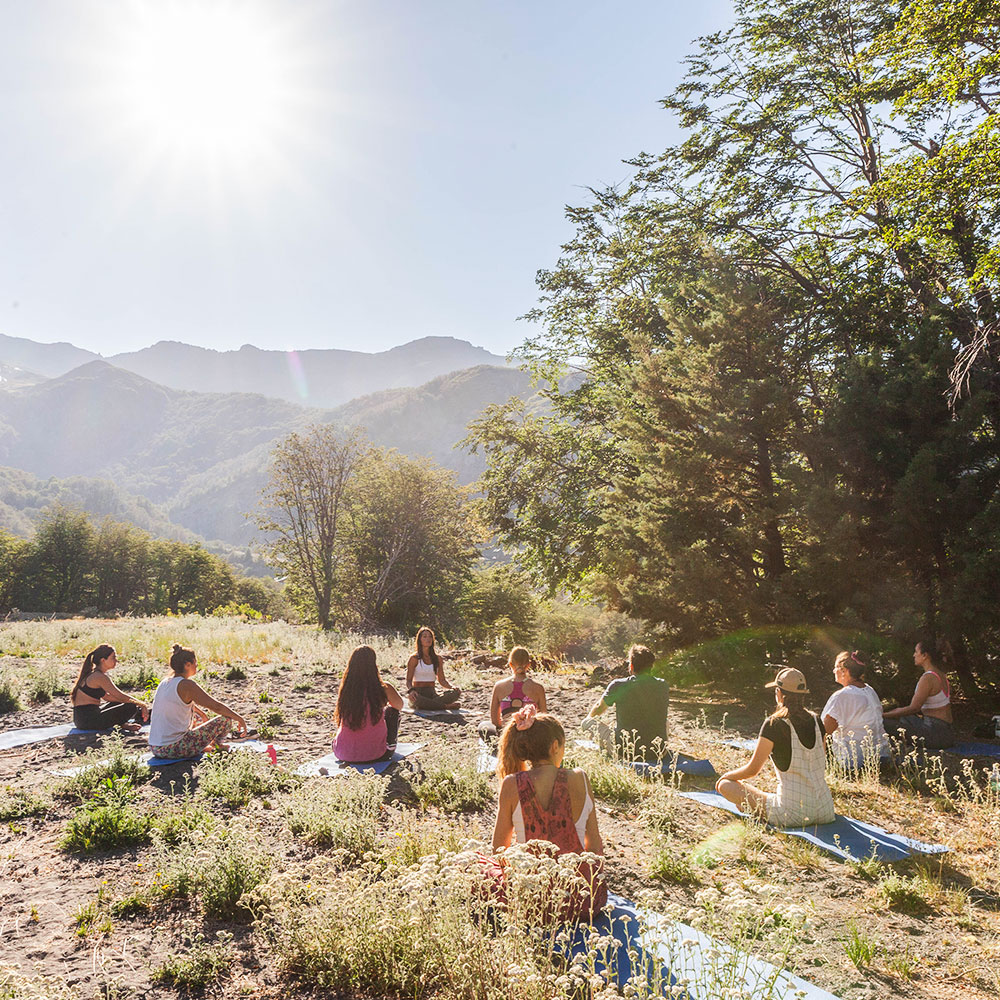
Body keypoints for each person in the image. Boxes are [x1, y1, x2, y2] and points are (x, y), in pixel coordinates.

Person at [491, 706, 606, 919]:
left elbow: (499, 849)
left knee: (479, 867)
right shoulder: (580, 778)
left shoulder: (511, 784)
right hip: (579, 902)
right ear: (555, 746)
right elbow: (595, 846)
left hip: (532, 901)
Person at [716, 667, 835, 827]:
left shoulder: (774, 724)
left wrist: (727, 776)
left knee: (724, 785)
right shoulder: (816, 720)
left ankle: (750, 806)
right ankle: (752, 806)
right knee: (768, 796)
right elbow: (819, 762)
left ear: (779, 693)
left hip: (793, 814)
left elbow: (753, 770)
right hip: (825, 810)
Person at [148, 644, 248, 760]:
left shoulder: (165, 682)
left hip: (156, 747)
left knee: (198, 718)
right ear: (187, 665)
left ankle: (200, 746)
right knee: (225, 720)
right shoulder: (187, 685)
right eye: (195, 662)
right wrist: (240, 718)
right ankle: (217, 746)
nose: (197, 665)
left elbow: (177, 704)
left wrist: (201, 713)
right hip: (172, 749)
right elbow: (216, 707)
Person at [582, 644, 669, 761]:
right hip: (658, 752)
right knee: (665, 721)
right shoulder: (662, 685)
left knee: (586, 723)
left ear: (631, 666)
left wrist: (589, 718)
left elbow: (599, 707)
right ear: (651, 666)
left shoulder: (618, 685)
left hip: (625, 752)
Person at [821, 651, 889, 774]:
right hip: (882, 758)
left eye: (836, 667)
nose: (833, 671)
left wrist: (819, 766)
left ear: (844, 671)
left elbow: (822, 732)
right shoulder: (869, 690)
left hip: (854, 763)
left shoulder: (842, 696)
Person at [334, 645, 404, 762]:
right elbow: (399, 705)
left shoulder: (346, 689)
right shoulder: (382, 688)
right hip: (377, 754)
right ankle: (389, 745)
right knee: (392, 712)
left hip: (342, 753)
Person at [883, 638, 956, 751]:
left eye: (916, 652)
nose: (914, 655)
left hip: (935, 734)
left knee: (883, 723)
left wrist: (883, 716)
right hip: (946, 732)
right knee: (905, 718)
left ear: (925, 655)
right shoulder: (940, 674)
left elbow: (914, 708)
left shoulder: (928, 678)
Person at [70, 644, 149, 733]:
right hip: (87, 721)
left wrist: (132, 702)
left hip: (82, 720)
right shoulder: (99, 677)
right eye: (113, 658)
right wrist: (141, 704)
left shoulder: (94, 674)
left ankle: (123, 725)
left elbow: (107, 697)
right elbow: (119, 695)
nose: (116, 660)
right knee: (131, 706)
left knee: (121, 702)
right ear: (103, 660)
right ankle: (122, 725)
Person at [477, 646, 547, 743]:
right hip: (529, 735)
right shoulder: (538, 688)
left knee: (484, 726)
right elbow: (544, 718)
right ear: (528, 665)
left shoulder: (499, 686)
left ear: (510, 664)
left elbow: (495, 721)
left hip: (508, 735)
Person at [405, 627, 461, 710]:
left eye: (430, 637)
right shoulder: (414, 658)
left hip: (432, 693)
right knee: (418, 700)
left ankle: (436, 705)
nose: (428, 639)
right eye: (424, 637)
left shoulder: (438, 658)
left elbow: (442, 680)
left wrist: (452, 687)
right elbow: (408, 680)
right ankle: (445, 706)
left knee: (455, 693)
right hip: (419, 693)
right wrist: (411, 691)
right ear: (419, 640)